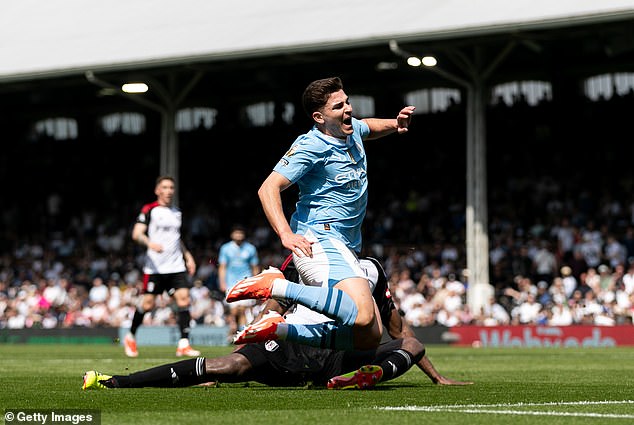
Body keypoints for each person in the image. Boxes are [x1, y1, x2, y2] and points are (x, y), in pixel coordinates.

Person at [83, 256, 471, 391]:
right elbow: (271, 304)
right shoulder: (305, 258)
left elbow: (403, 332)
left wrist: (436, 378)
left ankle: (365, 375)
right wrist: (245, 347)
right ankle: (118, 380)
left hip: (336, 355)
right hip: (290, 345)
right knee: (227, 366)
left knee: (414, 346)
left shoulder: (372, 271)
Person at [227, 77, 415, 352]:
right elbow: (268, 189)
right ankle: (277, 287)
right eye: (339, 106)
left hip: (346, 245)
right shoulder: (310, 145)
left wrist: (394, 124)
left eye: (348, 101)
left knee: (369, 334)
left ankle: (278, 330)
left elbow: (368, 128)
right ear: (319, 117)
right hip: (321, 238)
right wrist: (285, 234)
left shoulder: (350, 131)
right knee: (363, 315)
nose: (348, 109)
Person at [123, 176, 200, 358]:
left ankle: (183, 343)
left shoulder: (176, 212)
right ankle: (131, 336)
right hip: (155, 268)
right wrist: (150, 243)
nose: (169, 191)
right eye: (165, 187)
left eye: (171, 187)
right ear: (157, 190)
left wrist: (188, 256)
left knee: (184, 299)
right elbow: (137, 234)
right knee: (147, 305)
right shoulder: (149, 210)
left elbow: (176, 239)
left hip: (176, 265)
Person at [217, 225, 260, 341]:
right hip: (231, 283)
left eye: (240, 233)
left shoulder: (250, 248)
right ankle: (234, 331)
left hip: (246, 282)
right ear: (232, 235)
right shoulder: (225, 248)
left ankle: (241, 334)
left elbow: (255, 267)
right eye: (236, 233)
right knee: (233, 311)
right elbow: (222, 266)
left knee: (244, 310)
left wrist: (257, 283)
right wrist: (222, 282)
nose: (238, 235)